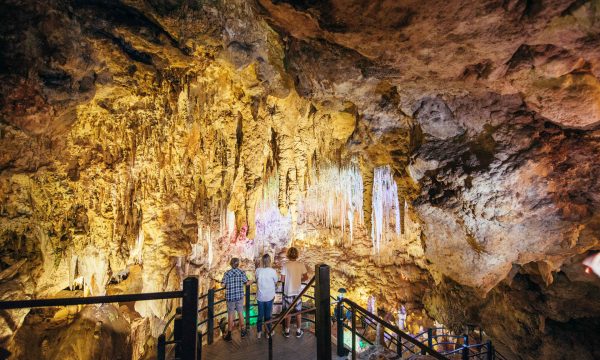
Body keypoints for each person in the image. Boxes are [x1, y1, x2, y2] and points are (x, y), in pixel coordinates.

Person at [281, 247, 308, 338]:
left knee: (288, 312)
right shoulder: (301, 264)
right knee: (298, 312)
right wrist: (298, 280)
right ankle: (298, 331)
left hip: (288, 291)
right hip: (297, 292)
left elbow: (282, 279)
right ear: (297, 255)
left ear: (288, 255)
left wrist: (289, 280)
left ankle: (287, 331)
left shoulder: (285, 265)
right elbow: (306, 277)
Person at [221, 257, 250, 341]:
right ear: (238, 264)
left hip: (230, 297)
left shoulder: (227, 273)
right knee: (240, 312)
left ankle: (229, 334)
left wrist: (225, 284)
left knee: (230, 314)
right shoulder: (241, 272)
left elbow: (222, 285)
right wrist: (250, 281)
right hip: (239, 297)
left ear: (230, 264)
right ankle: (243, 331)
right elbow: (246, 282)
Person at [255, 253, 278, 339]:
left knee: (260, 314)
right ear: (269, 261)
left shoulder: (258, 270)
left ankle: (259, 332)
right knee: (268, 315)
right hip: (269, 296)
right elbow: (276, 280)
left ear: (262, 261)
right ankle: (268, 332)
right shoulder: (272, 271)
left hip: (260, 296)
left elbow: (256, 279)